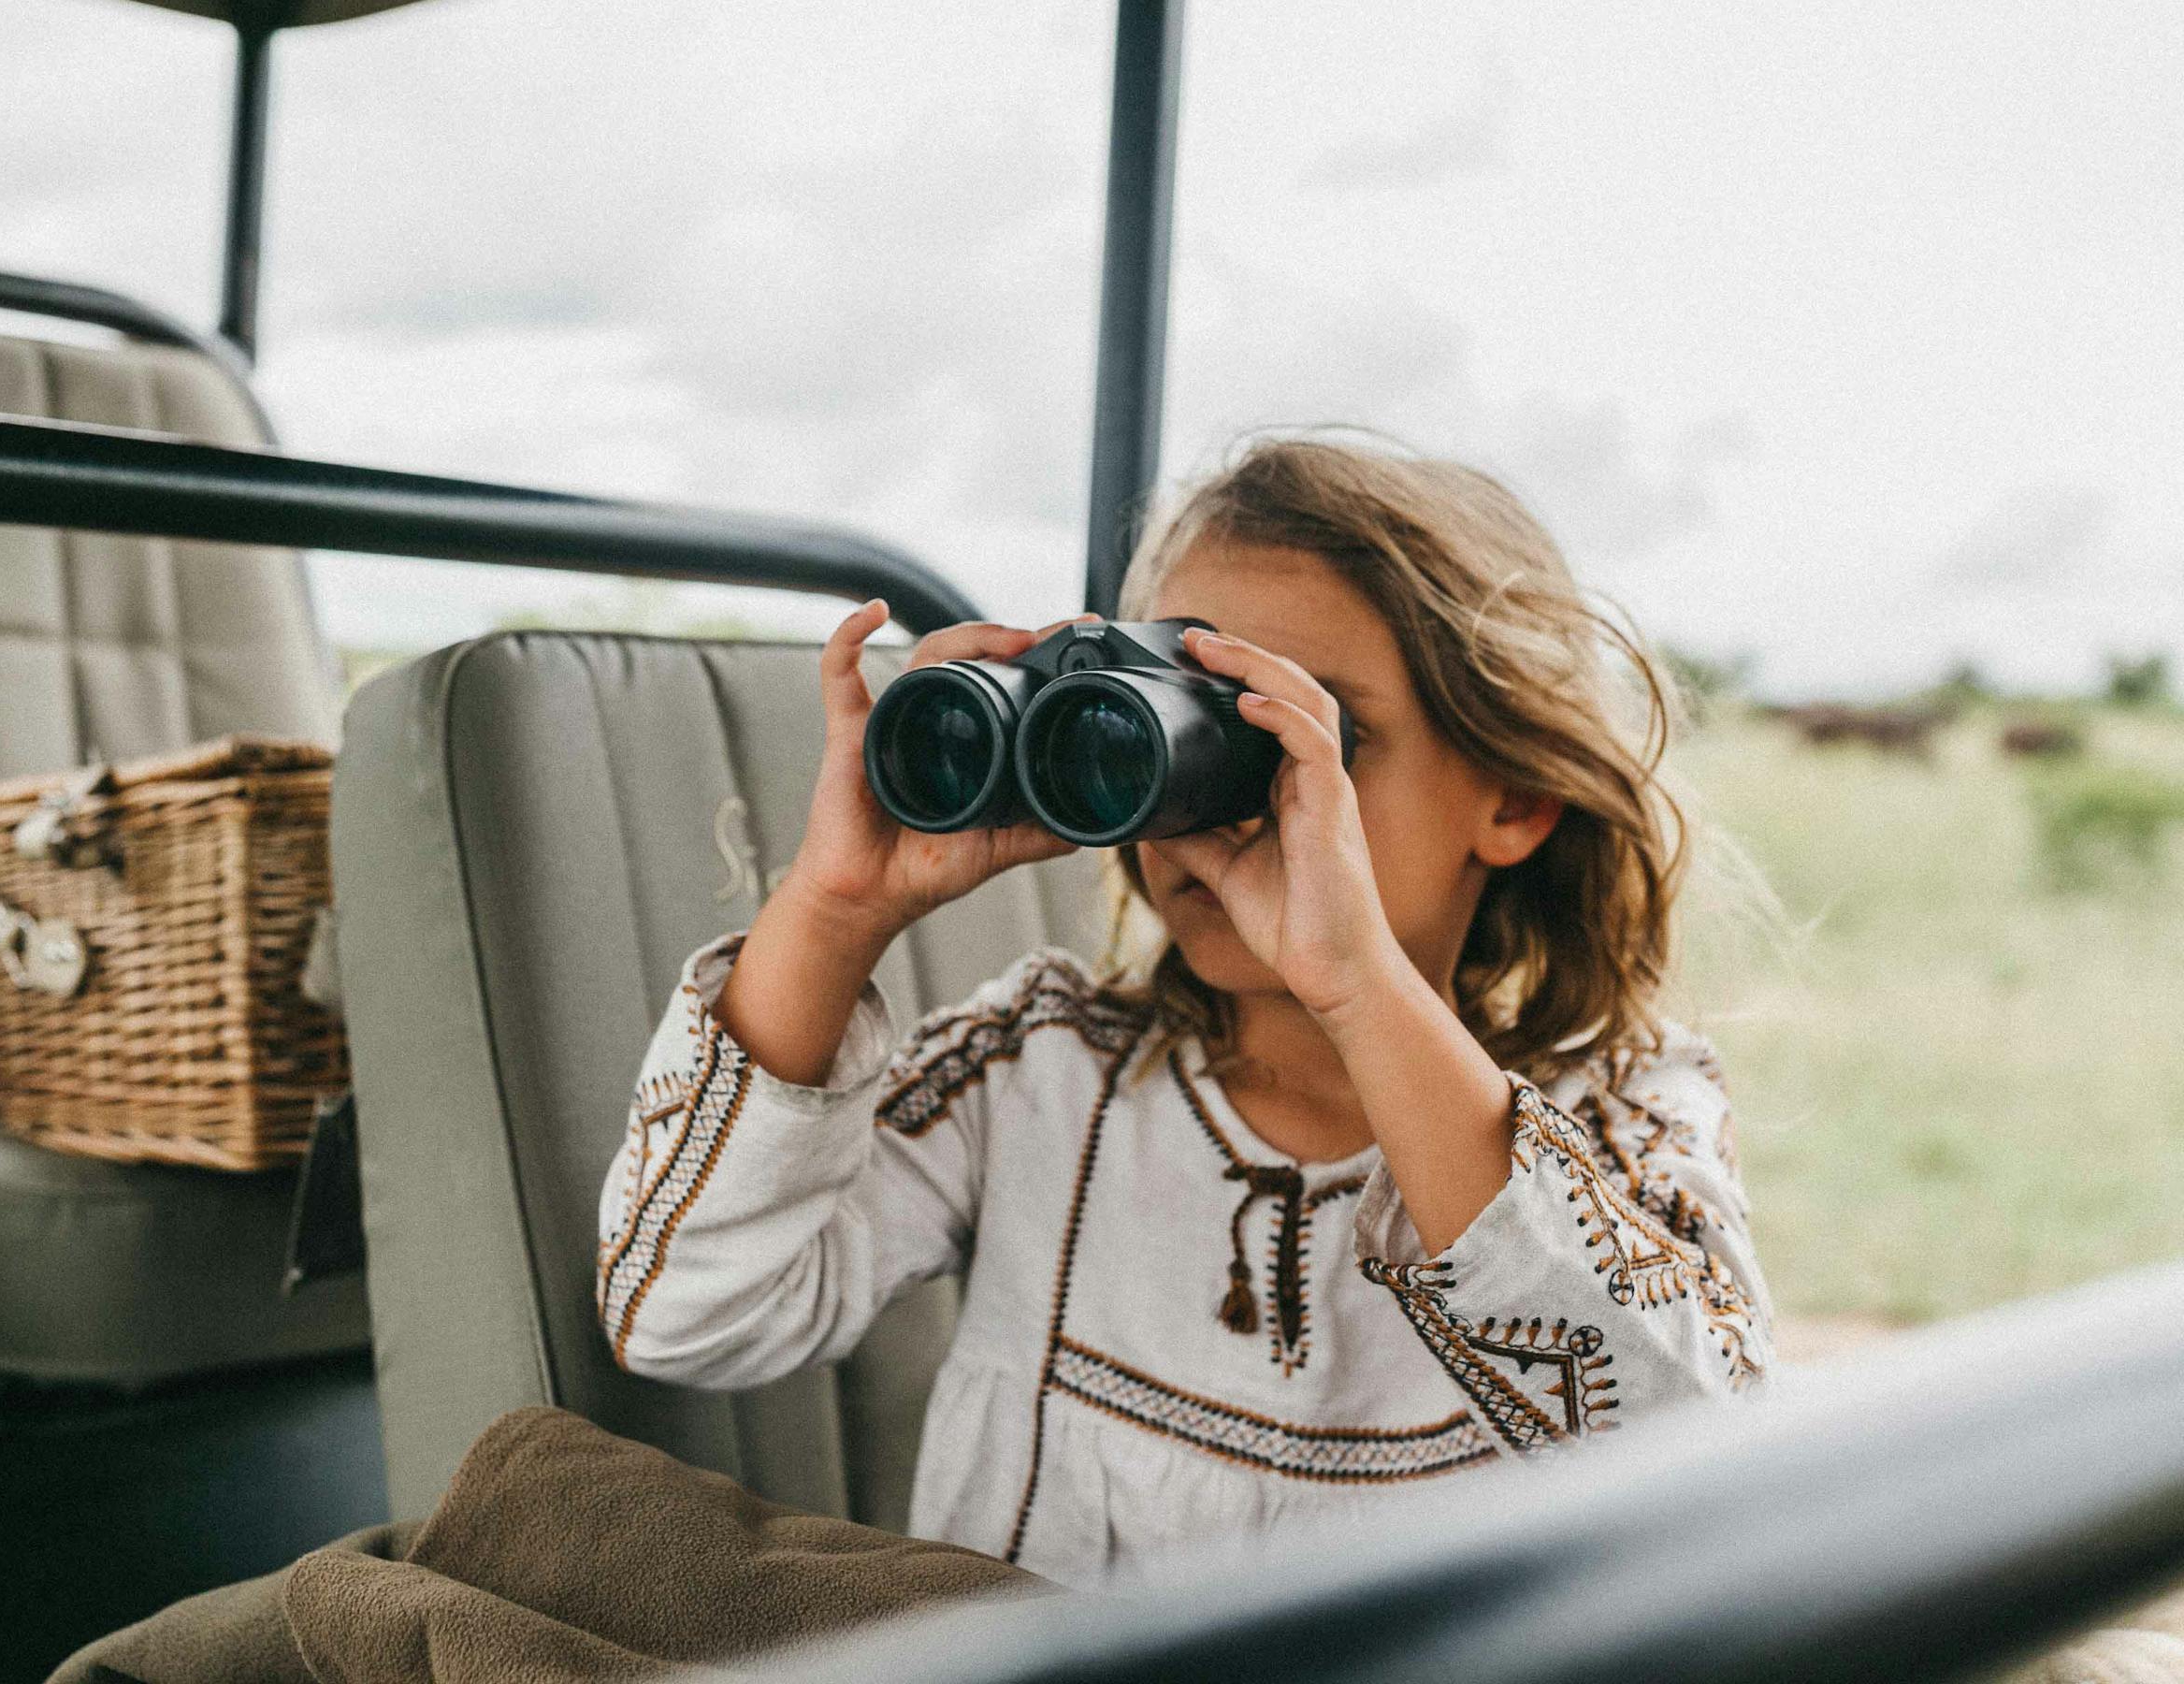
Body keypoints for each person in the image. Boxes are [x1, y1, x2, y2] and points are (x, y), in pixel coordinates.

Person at [593, 435, 1773, 1586]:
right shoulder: (1046, 1069)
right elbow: (687, 1317)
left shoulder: (1621, 1112)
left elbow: (1696, 1471)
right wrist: (834, 909)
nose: (1221, 803)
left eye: (1306, 731)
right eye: (1181, 715)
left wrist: (1361, 984)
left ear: (1511, 800)